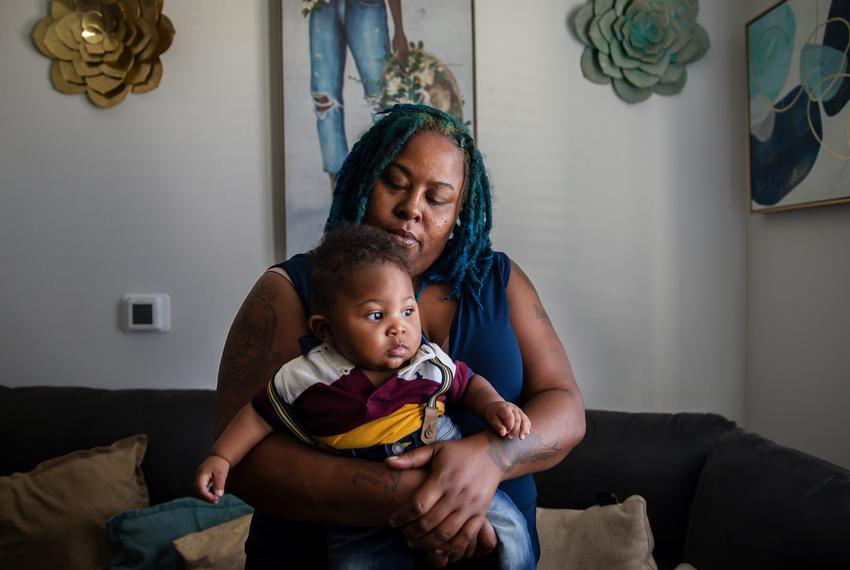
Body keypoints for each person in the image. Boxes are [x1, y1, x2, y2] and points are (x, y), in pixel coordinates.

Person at [215, 104, 586, 568]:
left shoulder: (500, 281)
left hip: (492, 551)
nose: (412, 208)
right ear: (361, 180)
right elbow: (244, 461)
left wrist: (490, 459)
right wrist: (429, 498)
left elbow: (566, 407)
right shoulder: (290, 289)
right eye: (395, 182)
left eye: (437, 198)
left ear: (459, 213)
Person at [197, 224, 535, 569]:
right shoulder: (308, 375)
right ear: (325, 330)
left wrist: (495, 406)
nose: (398, 327)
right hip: (359, 512)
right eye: (376, 315)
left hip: (444, 468)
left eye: (407, 311)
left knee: (510, 528)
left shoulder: (426, 360)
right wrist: (222, 457)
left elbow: (468, 383)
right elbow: (258, 414)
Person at [308, 0, 408, 182]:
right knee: (324, 100)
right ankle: (337, 193)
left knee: (383, 99)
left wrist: (399, 28)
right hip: (324, 8)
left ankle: (391, 182)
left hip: (367, 6)